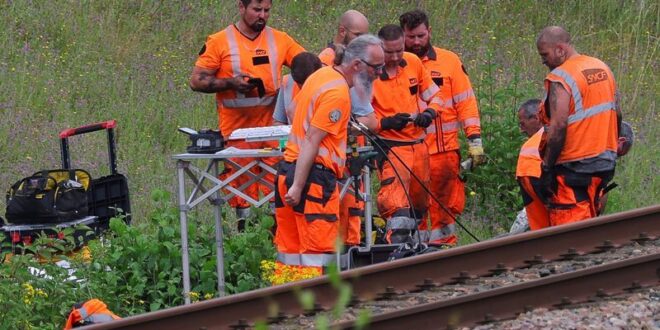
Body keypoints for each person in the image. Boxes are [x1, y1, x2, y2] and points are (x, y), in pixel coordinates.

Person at [273, 35, 384, 276]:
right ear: (356, 65)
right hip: (312, 180)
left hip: (288, 170)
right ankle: (316, 309)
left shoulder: (321, 76)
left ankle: (286, 305)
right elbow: (313, 138)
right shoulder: (338, 93)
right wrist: (299, 187)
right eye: (376, 68)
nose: (380, 74)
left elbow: (294, 111)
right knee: (318, 255)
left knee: (290, 253)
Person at [189, 0, 304, 227]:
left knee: (278, 194)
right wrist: (230, 83)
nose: (262, 15)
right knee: (242, 198)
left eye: (267, 11)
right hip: (237, 136)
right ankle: (246, 243)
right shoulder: (220, 41)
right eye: (256, 10)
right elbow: (196, 81)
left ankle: (277, 246)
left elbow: (307, 66)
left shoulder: (280, 39)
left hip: (273, 133)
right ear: (241, 8)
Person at [400, 10, 484, 246]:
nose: (416, 42)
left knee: (444, 210)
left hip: (444, 151)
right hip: (410, 151)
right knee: (410, 209)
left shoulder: (449, 62)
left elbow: (465, 102)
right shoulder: (395, 65)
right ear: (402, 35)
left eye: (420, 36)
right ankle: (412, 255)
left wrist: (474, 140)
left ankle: (444, 252)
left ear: (429, 32)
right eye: (411, 37)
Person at [536, 26, 621, 226]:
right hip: (604, 161)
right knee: (591, 220)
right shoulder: (601, 67)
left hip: (574, 166)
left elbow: (558, 127)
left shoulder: (560, 77)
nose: (543, 60)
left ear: (560, 49)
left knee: (571, 231)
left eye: (544, 54)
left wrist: (547, 168)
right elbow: (617, 112)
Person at [371, 24, 442, 244]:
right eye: (388, 52)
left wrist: (429, 113)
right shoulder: (370, 72)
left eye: (398, 50)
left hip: (419, 145)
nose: (394, 57)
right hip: (391, 148)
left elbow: (437, 97)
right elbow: (360, 118)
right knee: (395, 205)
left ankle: (414, 249)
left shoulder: (413, 62)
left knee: (419, 205)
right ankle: (393, 250)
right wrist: (386, 123)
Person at [516, 99, 550, 230]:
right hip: (536, 175)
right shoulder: (556, 130)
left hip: (528, 175)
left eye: (523, 124)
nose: (521, 130)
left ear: (536, 118)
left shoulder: (533, 143)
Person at [272, 52, 323, 125]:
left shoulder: (330, 86)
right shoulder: (288, 82)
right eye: (301, 85)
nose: (305, 87)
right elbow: (278, 121)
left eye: (309, 84)